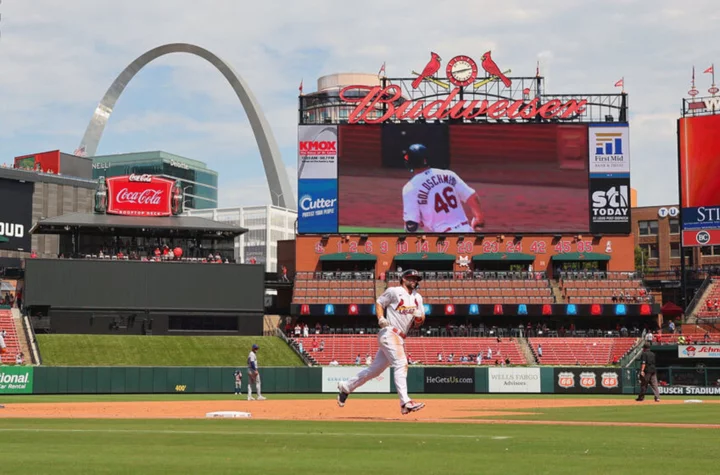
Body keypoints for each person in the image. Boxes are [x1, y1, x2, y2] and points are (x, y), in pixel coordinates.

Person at [337, 269, 426, 415]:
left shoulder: (418, 298)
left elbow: (420, 321)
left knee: (374, 371)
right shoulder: (394, 291)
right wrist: (380, 318)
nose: (414, 280)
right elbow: (379, 302)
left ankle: (346, 387)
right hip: (390, 332)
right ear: (403, 279)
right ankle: (405, 402)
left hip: (400, 336)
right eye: (411, 277)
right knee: (401, 364)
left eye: (416, 278)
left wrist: (418, 318)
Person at [401, 144, 485, 233]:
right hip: (467, 232)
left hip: (443, 240)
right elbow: (472, 197)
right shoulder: (449, 174)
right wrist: (478, 218)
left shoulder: (410, 187)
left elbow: (411, 225)